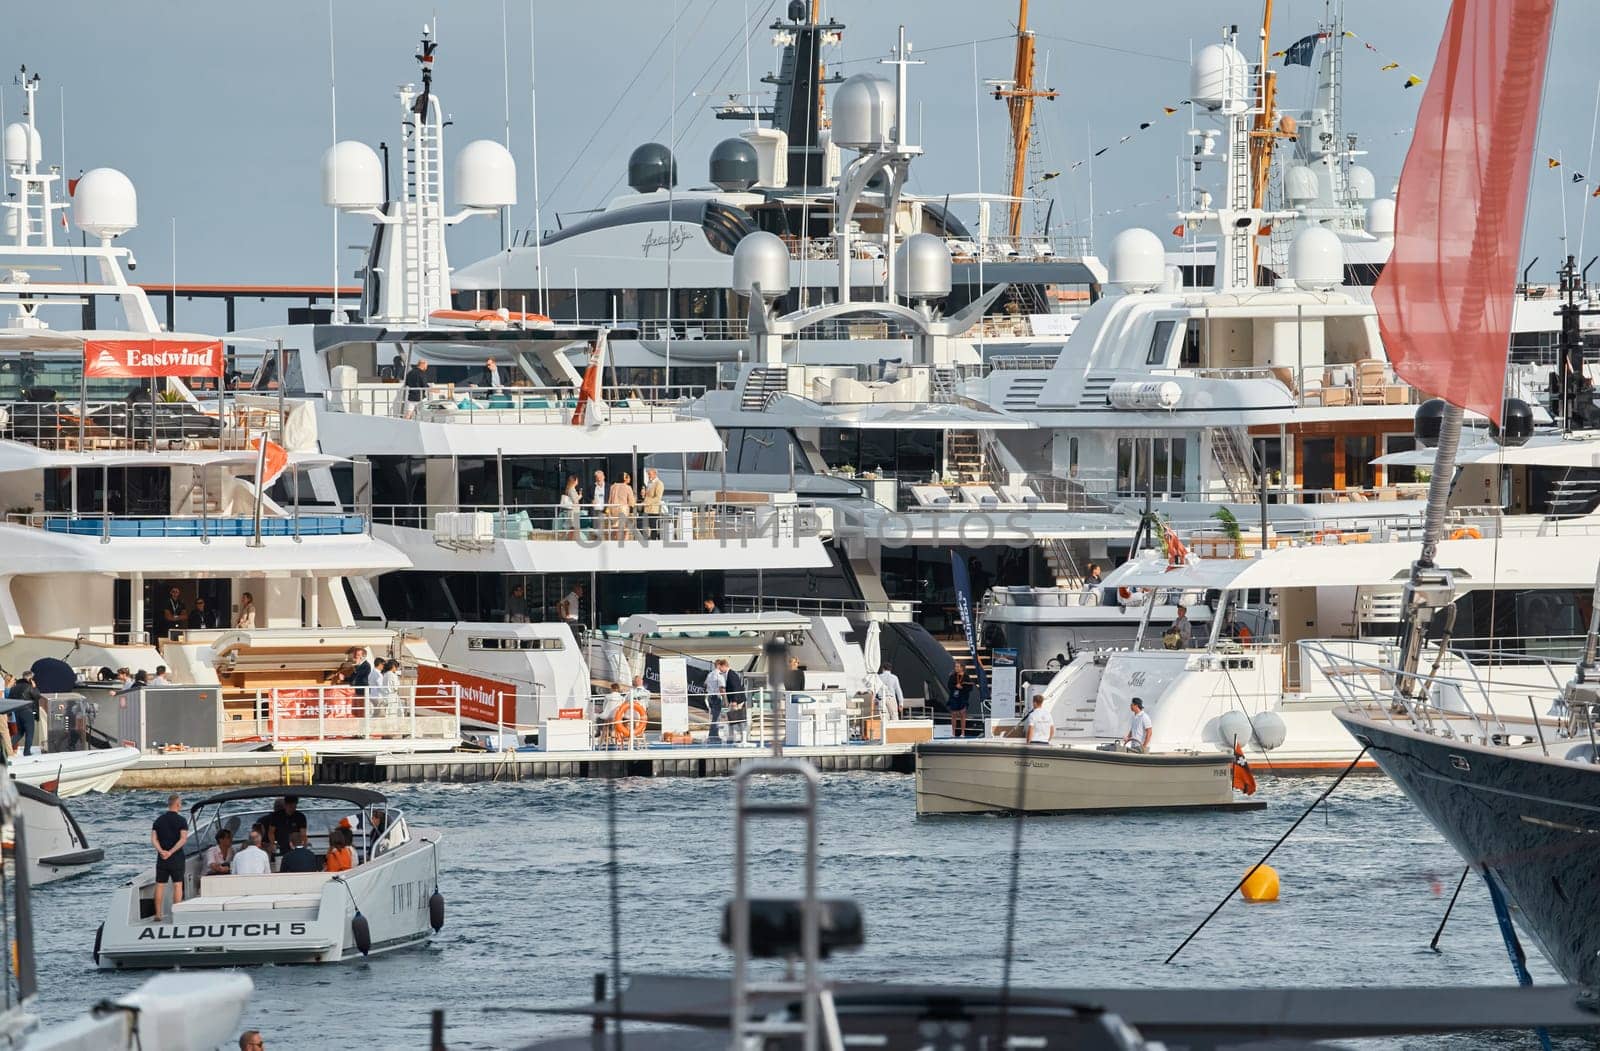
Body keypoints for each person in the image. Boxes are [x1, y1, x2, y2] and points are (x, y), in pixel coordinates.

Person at [151, 794, 189, 921]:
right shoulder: (182, 820)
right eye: (181, 803)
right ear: (178, 804)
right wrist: (171, 852)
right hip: (176, 857)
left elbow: (153, 839)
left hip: (162, 858)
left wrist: (161, 851)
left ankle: (158, 914)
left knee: (160, 885)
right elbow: (183, 839)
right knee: (177, 885)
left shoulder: (158, 820)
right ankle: (175, 914)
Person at [6, 671, 41, 754]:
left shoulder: (14, 688)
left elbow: (10, 700)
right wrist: (35, 687)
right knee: (30, 732)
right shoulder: (29, 686)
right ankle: (27, 752)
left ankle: (6, 747)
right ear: (30, 679)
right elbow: (37, 696)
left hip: (17, 711)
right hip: (27, 711)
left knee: (19, 732)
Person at [704, 658, 729, 743]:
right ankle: (713, 736)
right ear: (719, 665)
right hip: (716, 697)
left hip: (710, 696)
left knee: (715, 717)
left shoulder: (710, 674)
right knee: (716, 718)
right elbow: (722, 688)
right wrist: (725, 701)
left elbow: (705, 684)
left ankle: (714, 735)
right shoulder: (719, 675)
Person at [946, 665, 972, 739]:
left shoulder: (966, 677)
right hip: (954, 697)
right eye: (955, 667)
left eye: (957, 667)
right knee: (953, 715)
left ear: (962, 668)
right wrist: (955, 687)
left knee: (962, 714)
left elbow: (970, 688)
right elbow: (949, 685)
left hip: (963, 697)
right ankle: (953, 733)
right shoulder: (952, 676)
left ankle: (963, 733)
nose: (956, 668)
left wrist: (962, 687)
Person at [724, 664, 747, 746]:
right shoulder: (730, 674)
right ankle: (732, 738)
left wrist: (734, 701)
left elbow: (735, 688)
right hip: (735, 700)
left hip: (737, 701)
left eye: (720, 668)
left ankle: (742, 739)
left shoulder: (731, 674)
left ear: (724, 666)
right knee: (733, 719)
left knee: (739, 719)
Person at [609, 471, 637, 537]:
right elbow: (631, 502)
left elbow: (609, 500)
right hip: (623, 509)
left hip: (613, 509)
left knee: (615, 527)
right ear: (625, 479)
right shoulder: (628, 487)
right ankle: (624, 544)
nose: (630, 479)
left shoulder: (613, 487)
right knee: (625, 529)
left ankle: (615, 543)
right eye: (629, 478)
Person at [641, 467, 666, 539]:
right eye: (648, 474)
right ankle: (649, 541)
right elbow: (648, 495)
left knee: (653, 527)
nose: (649, 476)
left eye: (650, 474)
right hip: (647, 509)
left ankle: (654, 542)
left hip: (654, 510)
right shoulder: (649, 483)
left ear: (655, 474)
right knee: (647, 527)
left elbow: (658, 498)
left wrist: (647, 502)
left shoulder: (659, 483)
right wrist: (644, 494)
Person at [559, 476, 582, 540]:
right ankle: (571, 540)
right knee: (574, 527)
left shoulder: (570, 489)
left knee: (571, 527)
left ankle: (569, 539)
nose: (578, 481)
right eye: (577, 480)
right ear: (574, 481)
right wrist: (580, 496)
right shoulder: (572, 489)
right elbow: (575, 500)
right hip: (573, 511)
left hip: (572, 511)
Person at [590, 470, 607, 537]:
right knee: (596, 526)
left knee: (604, 526)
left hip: (605, 509)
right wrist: (591, 500)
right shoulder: (592, 487)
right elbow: (587, 497)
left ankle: (603, 539)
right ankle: (597, 539)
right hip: (595, 509)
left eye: (600, 477)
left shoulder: (608, 486)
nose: (599, 479)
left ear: (603, 477)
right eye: (597, 477)